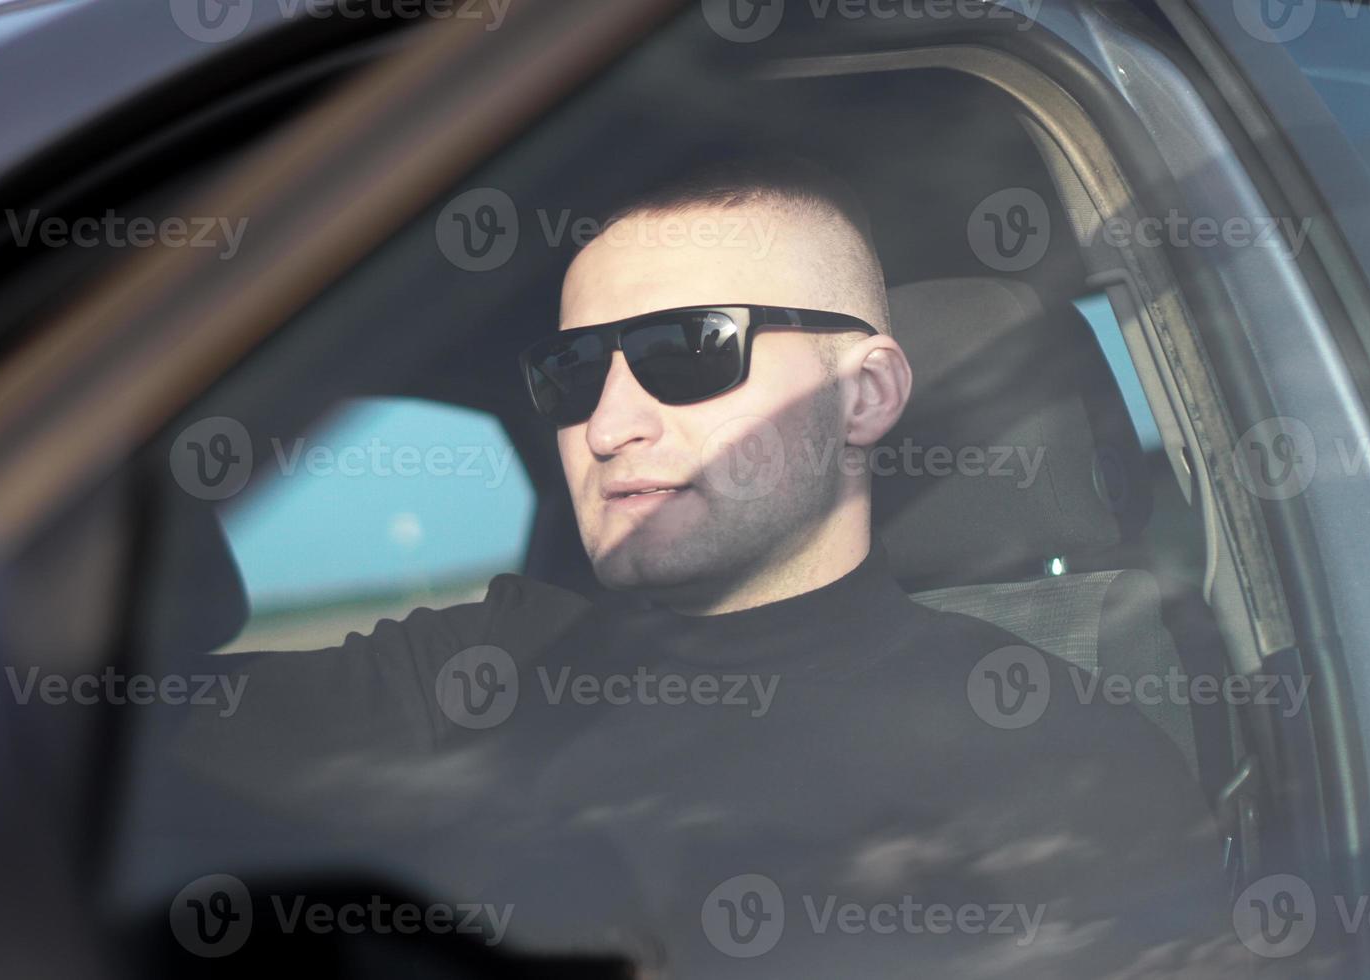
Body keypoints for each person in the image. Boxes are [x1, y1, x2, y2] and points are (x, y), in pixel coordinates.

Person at [164, 157, 1241, 976]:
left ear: (863, 394)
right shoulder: (479, 661)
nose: (609, 420)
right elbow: (86, 731)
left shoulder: (1058, 759)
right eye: (574, 370)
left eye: (691, 348)